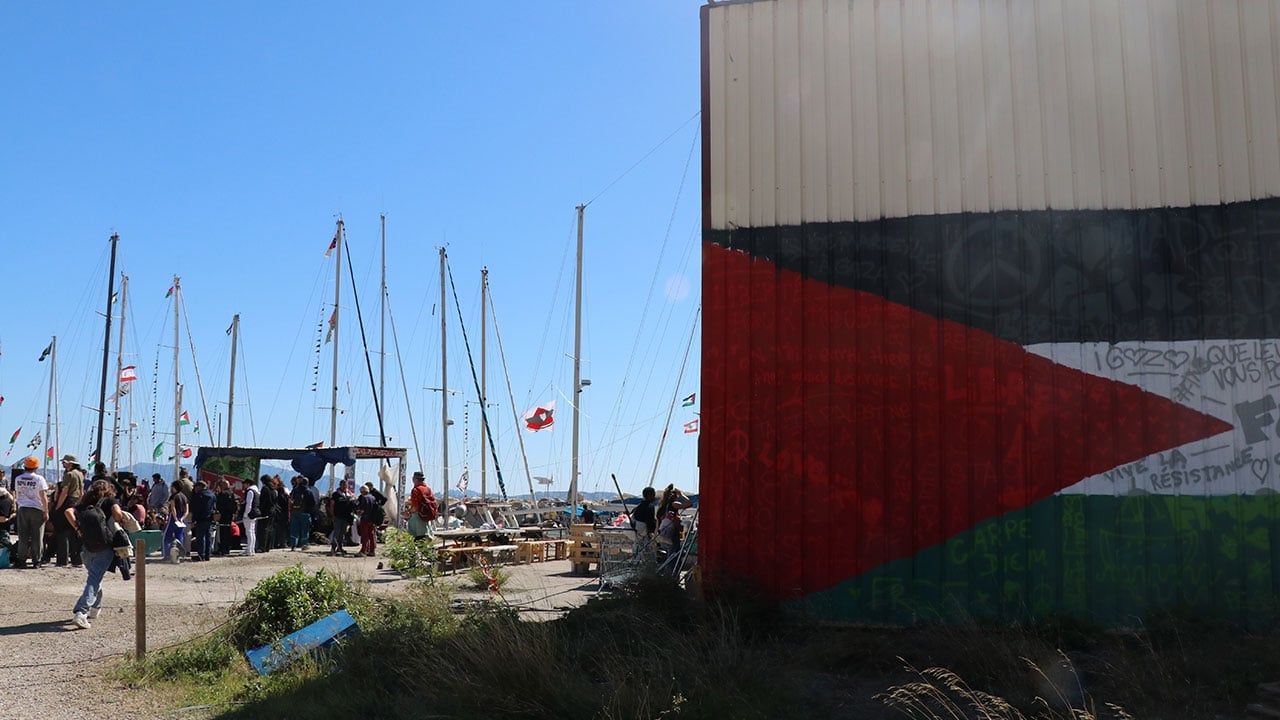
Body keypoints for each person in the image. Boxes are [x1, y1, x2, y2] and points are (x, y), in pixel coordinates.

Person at [65, 479, 130, 629]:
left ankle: (95, 608)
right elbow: (118, 515)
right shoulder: (110, 500)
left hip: (86, 546)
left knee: (95, 576)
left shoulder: (85, 502)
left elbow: (68, 511)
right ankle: (81, 612)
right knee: (94, 579)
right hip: (105, 546)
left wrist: (77, 528)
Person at [12, 456, 49, 569]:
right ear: (36, 467)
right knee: (37, 536)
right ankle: (36, 560)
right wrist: (46, 511)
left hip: (23, 508)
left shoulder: (18, 478)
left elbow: (17, 494)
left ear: (25, 466)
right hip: (37, 509)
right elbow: (43, 496)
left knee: (23, 536)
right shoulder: (39, 479)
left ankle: (21, 559)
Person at [49, 455, 86, 567]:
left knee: (62, 532)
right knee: (74, 532)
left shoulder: (69, 474)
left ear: (70, 463)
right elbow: (81, 492)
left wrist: (58, 506)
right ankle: (76, 559)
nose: (63, 464)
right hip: (76, 502)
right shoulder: (80, 474)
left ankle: (62, 560)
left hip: (67, 501)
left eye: (65, 462)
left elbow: (64, 491)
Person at [188, 479, 217, 562]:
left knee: (200, 538)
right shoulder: (212, 495)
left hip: (200, 519)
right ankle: (207, 555)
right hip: (210, 519)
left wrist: (193, 520)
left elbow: (195, 509)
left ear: (199, 487)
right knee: (208, 537)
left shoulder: (198, 496)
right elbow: (214, 507)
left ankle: (201, 555)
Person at [355, 481, 386, 557]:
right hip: (372, 519)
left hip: (365, 518)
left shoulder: (364, 498)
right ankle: (372, 550)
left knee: (365, 535)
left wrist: (358, 512)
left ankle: (363, 551)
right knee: (371, 535)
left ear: (362, 491)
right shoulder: (372, 497)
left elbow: (362, 510)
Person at [405, 471, 438, 540]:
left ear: (415, 479)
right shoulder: (428, 489)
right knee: (426, 538)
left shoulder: (416, 490)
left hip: (418, 517)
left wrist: (408, 512)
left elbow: (415, 507)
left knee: (418, 539)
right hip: (426, 517)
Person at [162, 481, 189, 563]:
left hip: (174, 518)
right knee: (179, 536)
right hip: (182, 518)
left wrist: (175, 518)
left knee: (166, 536)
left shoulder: (173, 496)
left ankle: (166, 554)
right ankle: (179, 555)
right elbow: (187, 510)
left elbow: (173, 508)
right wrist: (182, 518)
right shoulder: (184, 497)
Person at [329, 480, 356, 556]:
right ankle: (333, 548)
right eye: (343, 485)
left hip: (346, 517)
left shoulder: (348, 494)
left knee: (342, 533)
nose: (344, 486)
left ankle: (340, 547)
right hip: (338, 516)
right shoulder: (336, 494)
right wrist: (332, 515)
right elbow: (332, 505)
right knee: (336, 532)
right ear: (340, 485)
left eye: (346, 485)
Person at [288, 476, 314, 550]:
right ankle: (304, 545)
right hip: (305, 512)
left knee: (294, 529)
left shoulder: (294, 490)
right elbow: (312, 502)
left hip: (294, 512)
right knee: (305, 530)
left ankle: (293, 545)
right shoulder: (308, 490)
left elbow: (290, 500)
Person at [214, 480, 239, 556]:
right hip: (229, 516)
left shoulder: (223, 494)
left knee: (222, 533)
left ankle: (222, 548)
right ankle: (226, 548)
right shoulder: (232, 494)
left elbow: (218, 504)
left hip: (223, 516)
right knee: (228, 532)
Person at [256, 476, 276, 554]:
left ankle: (261, 547)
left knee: (262, 529)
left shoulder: (265, 488)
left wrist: (260, 510)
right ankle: (268, 546)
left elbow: (263, 501)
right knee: (269, 529)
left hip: (265, 512)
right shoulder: (273, 489)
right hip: (272, 511)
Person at [271, 476, 290, 549]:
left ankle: (278, 543)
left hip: (280, 513)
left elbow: (281, 501)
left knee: (278, 529)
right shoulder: (285, 490)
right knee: (282, 529)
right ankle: (282, 543)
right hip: (284, 513)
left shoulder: (279, 491)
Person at [0, 484, 14, 550]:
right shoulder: (7, 502)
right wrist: (10, 517)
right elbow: (2, 519)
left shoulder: (5, 502)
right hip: (4, 529)